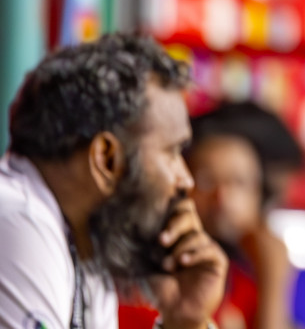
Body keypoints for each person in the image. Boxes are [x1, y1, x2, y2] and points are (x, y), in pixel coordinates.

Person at [0, 33, 228, 329]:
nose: (185, 180)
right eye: (172, 152)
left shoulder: (85, 248)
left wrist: (184, 320)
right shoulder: (18, 221)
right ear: (106, 160)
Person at [180, 103, 302, 329]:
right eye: (207, 181)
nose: (222, 199)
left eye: (238, 183)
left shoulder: (248, 279)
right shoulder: (169, 284)